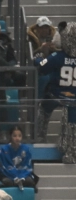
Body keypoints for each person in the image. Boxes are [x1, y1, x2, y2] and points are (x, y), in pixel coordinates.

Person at [35, 25, 76, 163]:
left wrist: (39, 57)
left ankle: (40, 137)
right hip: (74, 100)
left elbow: (41, 66)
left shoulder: (58, 56)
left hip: (56, 95)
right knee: (72, 123)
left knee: (43, 109)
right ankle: (71, 149)